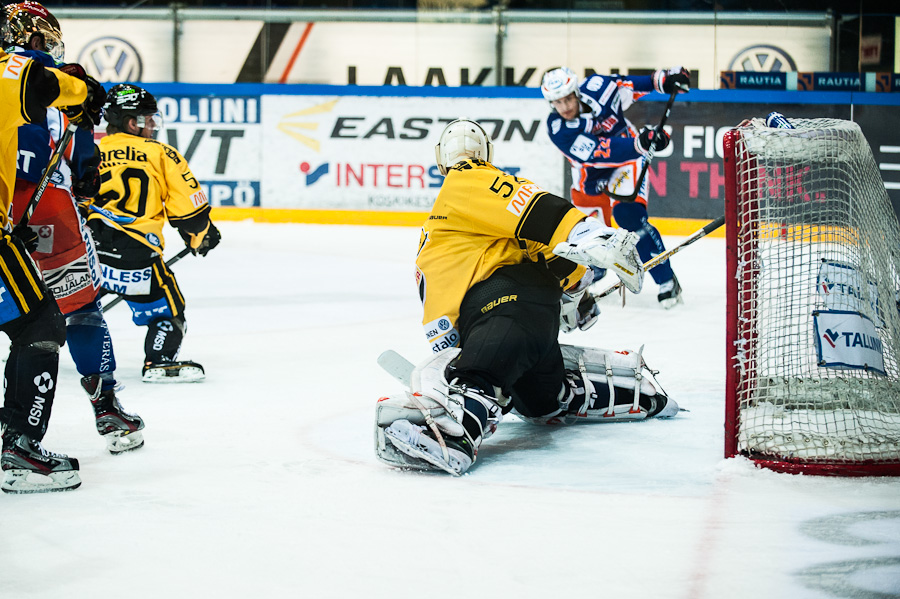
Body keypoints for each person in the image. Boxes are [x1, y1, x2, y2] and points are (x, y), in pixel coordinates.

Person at [374, 119, 680, 476]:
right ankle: (630, 393)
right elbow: (546, 250)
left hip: (504, 311)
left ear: (443, 159)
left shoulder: (465, 179)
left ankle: (456, 423)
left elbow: (532, 206)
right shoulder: (475, 218)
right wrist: (578, 295)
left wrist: (590, 234)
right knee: (539, 402)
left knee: (477, 376)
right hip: (528, 319)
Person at [5, 1, 145, 456]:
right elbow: (85, 164)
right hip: (49, 204)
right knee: (78, 309)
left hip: (7, 205)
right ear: (35, 37)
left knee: (22, 319)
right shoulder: (52, 76)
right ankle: (105, 406)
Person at [0, 16, 97, 493]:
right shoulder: (14, 66)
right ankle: (18, 449)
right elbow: (37, 78)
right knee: (40, 324)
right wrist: (81, 92)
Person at [85, 83, 220, 383]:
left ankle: (38, 343)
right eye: (148, 120)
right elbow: (191, 215)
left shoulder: (91, 149)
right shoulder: (162, 154)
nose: (152, 127)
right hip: (137, 258)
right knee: (169, 314)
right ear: (132, 122)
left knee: (73, 305)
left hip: (91, 254)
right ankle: (158, 359)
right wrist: (201, 237)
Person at [540, 66, 690, 308]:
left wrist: (664, 80)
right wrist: (640, 143)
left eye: (568, 98)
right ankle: (596, 273)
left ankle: (666, 280)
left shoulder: (600, 87)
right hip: (590, 178)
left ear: (576, 92)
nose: (565, 107)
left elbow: (632, 85)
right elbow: (597, 152)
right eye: (558, 102)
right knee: (584, 235)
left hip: (627, 162)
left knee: (629, 217)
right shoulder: (558, 128)